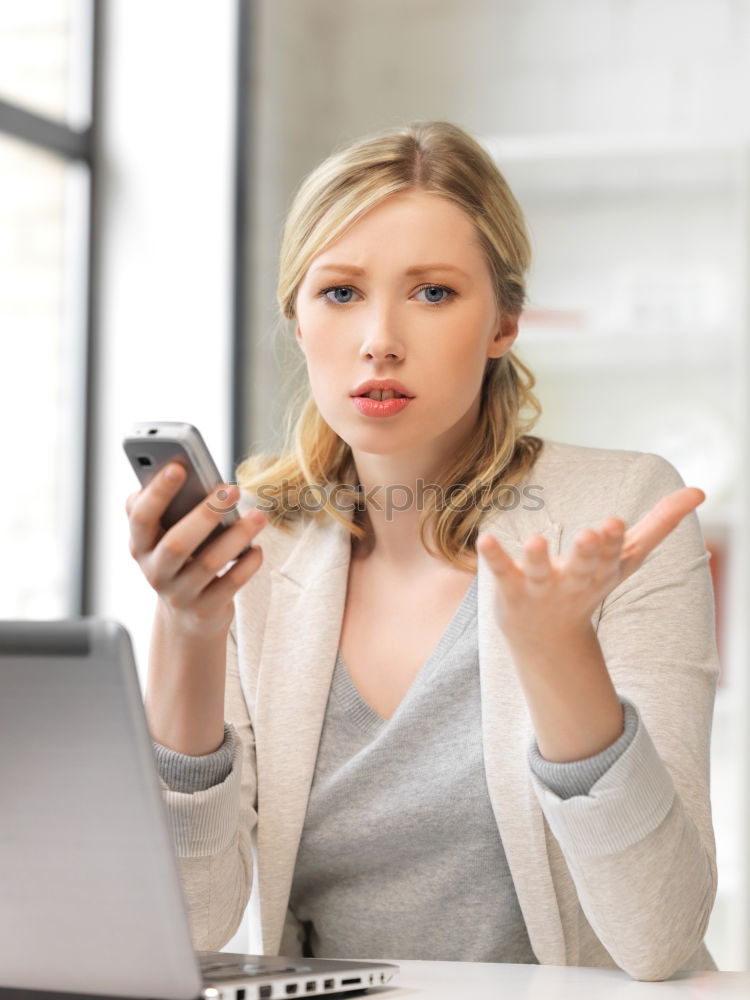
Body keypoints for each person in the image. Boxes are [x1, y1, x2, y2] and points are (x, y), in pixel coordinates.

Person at [125, 120, 720, 982]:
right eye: (339, 293)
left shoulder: (619, 510)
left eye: (433, 293)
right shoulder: (255, 541)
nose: (379, 339)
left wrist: (559, 657)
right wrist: (186, 625)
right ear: (297, 319)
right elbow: (184, 930)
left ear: (505, 322)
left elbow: (658, 935)